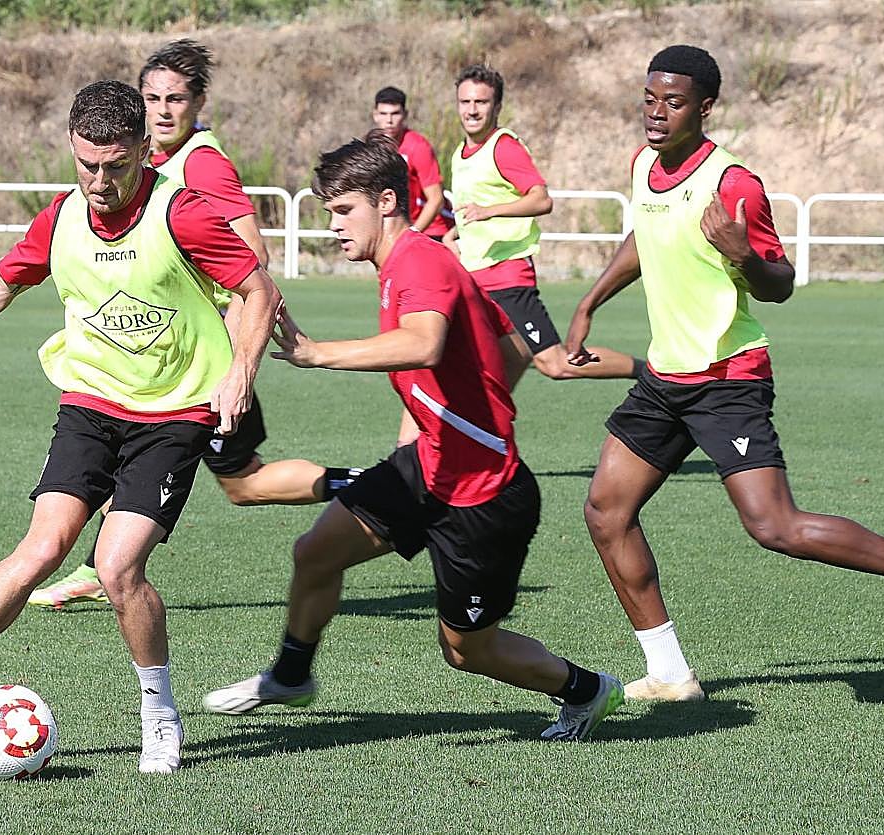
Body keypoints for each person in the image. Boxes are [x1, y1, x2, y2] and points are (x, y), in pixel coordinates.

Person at [0, 80, 281, 773]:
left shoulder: (182, 214)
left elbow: (258, 286)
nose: (99, 179)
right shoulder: (59, 218)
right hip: (89, 403)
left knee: (119, 567)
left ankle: (159, 714)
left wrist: (241, 368)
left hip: (174, 412)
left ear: (145, 151)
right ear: (72, 148)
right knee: (42, 547)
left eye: (116, 165)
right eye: (87, 163)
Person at [203, 133, 624, 743]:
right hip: (427, 468)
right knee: (316, 552)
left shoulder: (421, 261)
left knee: (466, 650)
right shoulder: (407, 263)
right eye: (329, 213)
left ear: (388, 202)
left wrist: (319, 353)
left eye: (345, 211)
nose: (335, 226)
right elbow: (509, 343)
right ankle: (292, 676)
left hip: (482, 498)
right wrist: (455, 412)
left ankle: (587, 690)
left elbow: (424, 343)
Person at [565, 45, 884, 702]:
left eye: (674, 102)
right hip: (667, 377)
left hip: (728, 377)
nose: (657, 113)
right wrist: (587, 303)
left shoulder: (733, 183)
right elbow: (645, 232)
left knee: (773, 526)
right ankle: (669, 672)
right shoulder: (643, 164)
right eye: (649, 99)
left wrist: (743, 253)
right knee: (607, 511)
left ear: (705, 107)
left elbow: (780, 283)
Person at [28, 39, 361, 610]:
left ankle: (376, 487)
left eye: (175, 99)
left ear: (199, 102)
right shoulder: (144, 162)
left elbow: (252, 264)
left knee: (242, 481)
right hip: (161, 358)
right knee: (239, 482)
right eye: (151, 98)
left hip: (202, 365)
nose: (162, 110)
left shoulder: (201, 162)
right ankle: (98, 567)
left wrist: (241, 360)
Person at [444, 65, 638, 385]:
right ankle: (487, 431)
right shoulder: (459, 153)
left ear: (497, 107)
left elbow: (541, 200)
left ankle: (648, 374)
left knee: (555, 363)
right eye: (465, 102)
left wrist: (491, 211)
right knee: (471, 359)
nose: (472, 110)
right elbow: (472, 211)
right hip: (474, 276)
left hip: (506, 277)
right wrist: (455, 234)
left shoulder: (503, 147)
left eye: (481, 102)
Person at [371, 86, 453, 241]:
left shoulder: (418, 147)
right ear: (375, 115)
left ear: (405, 115)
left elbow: (436, 200)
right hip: (399, 229)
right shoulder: (373, 147)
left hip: (431, 229)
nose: (389, 120)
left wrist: (411, 235)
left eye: (395, 113)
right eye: (383, 114)